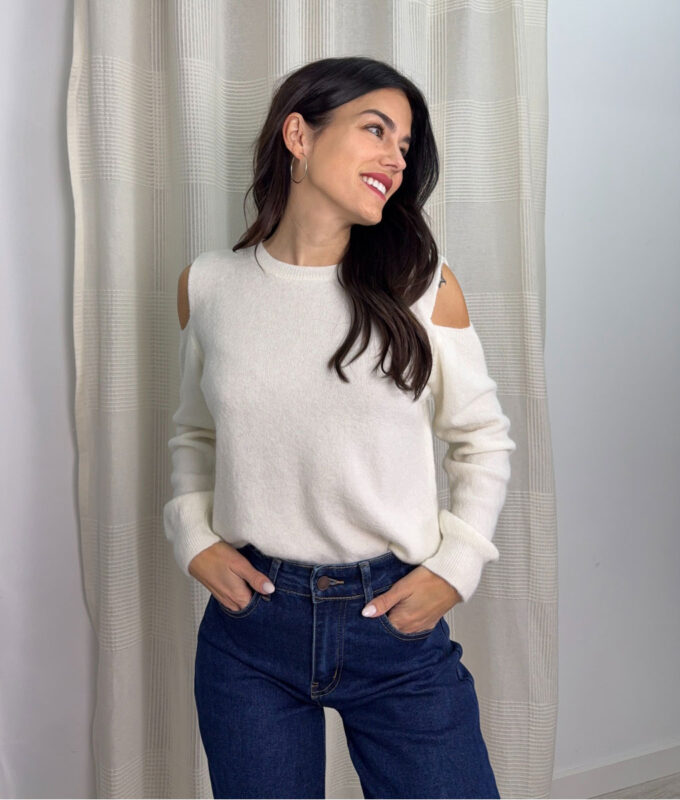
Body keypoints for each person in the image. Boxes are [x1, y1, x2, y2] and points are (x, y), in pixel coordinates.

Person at [163, 56, 516, 800]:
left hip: (392, 623)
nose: (396, 159)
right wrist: (192, 535)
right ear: (299, 135)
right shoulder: (211, 285)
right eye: (375, 130)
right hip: (251, 630)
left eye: (405, 145)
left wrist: (456, 568)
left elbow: (481, 439)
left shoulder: (421, 283)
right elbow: (196, 434)